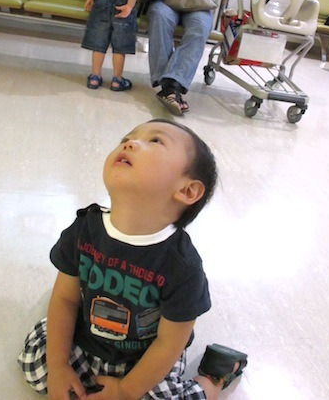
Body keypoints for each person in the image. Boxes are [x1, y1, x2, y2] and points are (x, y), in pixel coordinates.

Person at [18, 118, 248, 400]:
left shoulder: (182, 266)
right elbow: (65, 299)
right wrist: (58, 365)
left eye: (155, 141)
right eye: (127, 138)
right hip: (88, 337)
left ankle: (214, 376)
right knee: (35, 366)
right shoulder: (84, 229)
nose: (130, 143)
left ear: (187, 191)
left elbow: (168, 343)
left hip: (147, 357)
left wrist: (126, 392)